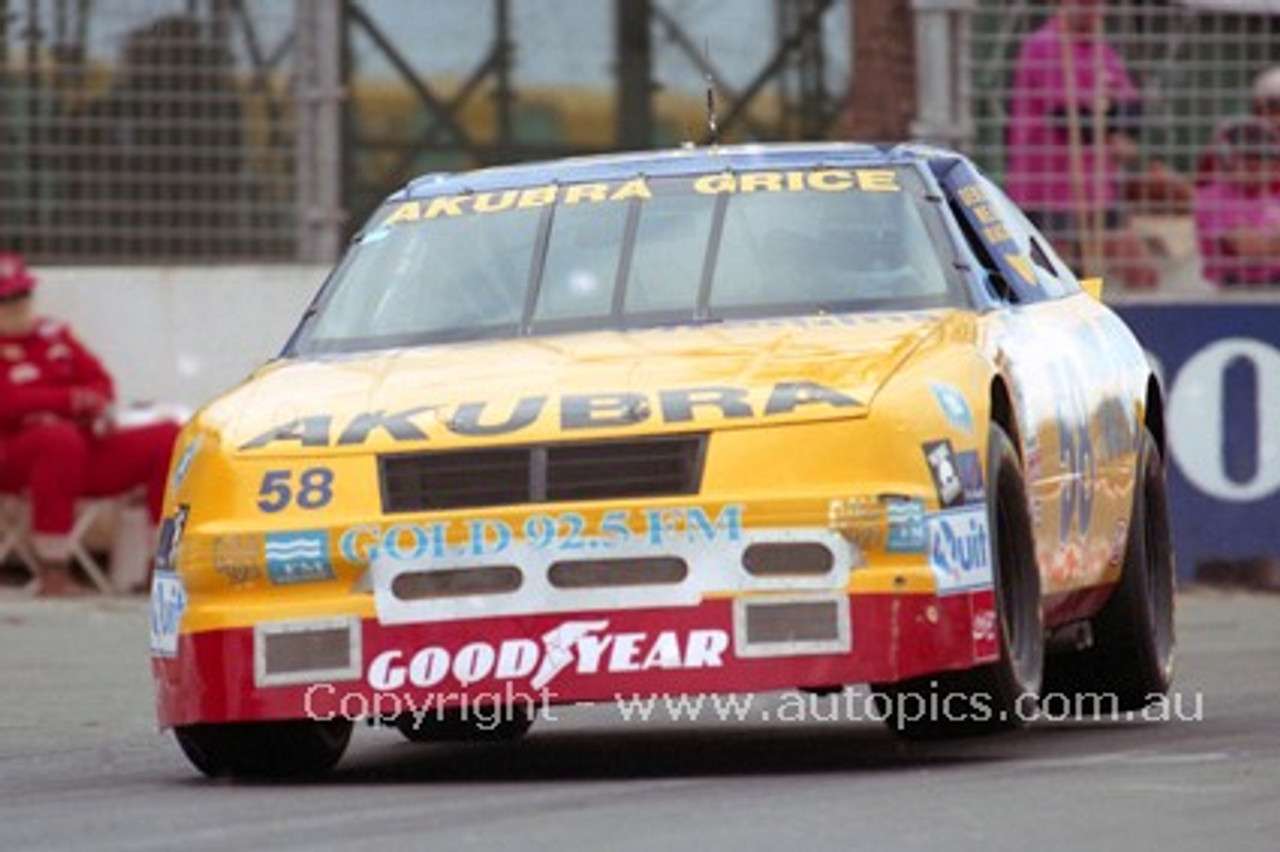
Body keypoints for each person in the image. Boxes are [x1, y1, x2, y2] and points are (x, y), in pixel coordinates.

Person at [0, 253, 181, 595]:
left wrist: (87, 402)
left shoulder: (54, 335)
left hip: (81, 449)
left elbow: (101, 383)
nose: (15, 304)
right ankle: (54, 570)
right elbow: (7, 403)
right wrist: (67, 400)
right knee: (57, 439)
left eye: (20, 295)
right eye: (5, 298)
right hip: (17, 456)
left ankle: (162, 567)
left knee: (168, 436)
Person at [1005, 0, 1165, 289]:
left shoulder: (1100, 49)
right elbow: (1070, 120)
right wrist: (1108, 125)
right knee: (1054, 280)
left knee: (1140, 270)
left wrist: (1115, 127)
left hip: (1096, 187)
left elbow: (1133, 109)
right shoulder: (1046, 45)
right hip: (1049, 187)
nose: (1092, 9)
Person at [1192, 117, 1280, 289]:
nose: (1253, 162)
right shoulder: (1212, 197)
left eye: (1261, 155)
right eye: (1244, 154)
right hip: (1232, 292)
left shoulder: (1274, 198)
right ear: (1226, 159)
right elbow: (1249, 248)